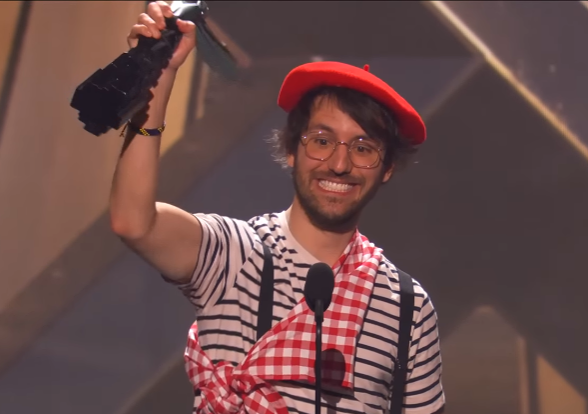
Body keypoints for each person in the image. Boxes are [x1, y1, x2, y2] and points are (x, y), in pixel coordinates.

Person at [109, 2, 446, 413]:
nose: (339, 164)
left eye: (363, 148)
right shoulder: (234, 253)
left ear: (387, 167)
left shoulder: (408, 307)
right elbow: (133, 222)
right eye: (322, 141)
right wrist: (156, 80)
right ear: (291, 150)